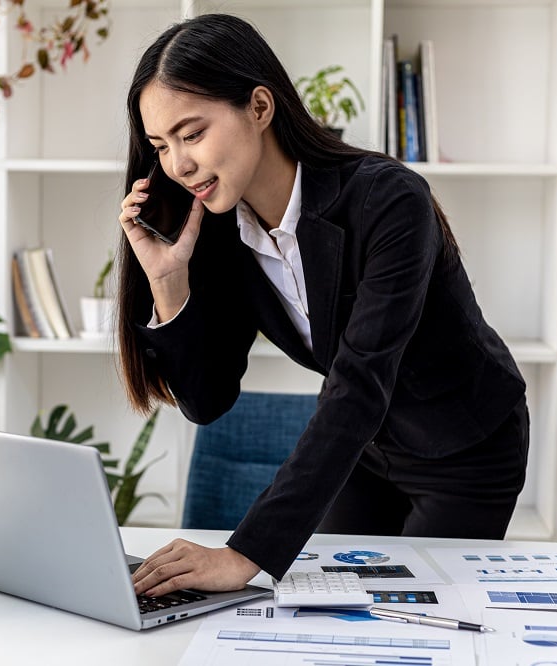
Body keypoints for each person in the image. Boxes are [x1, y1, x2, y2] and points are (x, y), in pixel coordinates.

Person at [116, 14, 529, 599]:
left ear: (260, 107)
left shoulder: (389, 199)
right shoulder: (220, 228)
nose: (178, 165)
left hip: (464, 444)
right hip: (366, 448)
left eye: (192, 133)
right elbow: (207, 403)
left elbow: (359, 382)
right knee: (329, 603)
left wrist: (245, 553)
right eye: (160, 146)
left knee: (416, 610)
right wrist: (168, 281)